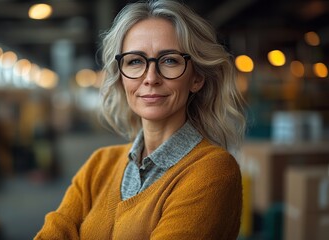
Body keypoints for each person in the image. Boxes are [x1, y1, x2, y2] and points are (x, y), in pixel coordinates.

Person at [34, 0, 246, 239]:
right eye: (135, 61)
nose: (150, 78)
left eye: (169, 60)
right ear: (121, 77)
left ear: (196, 78)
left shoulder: (212, 171)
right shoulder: (99, 165)